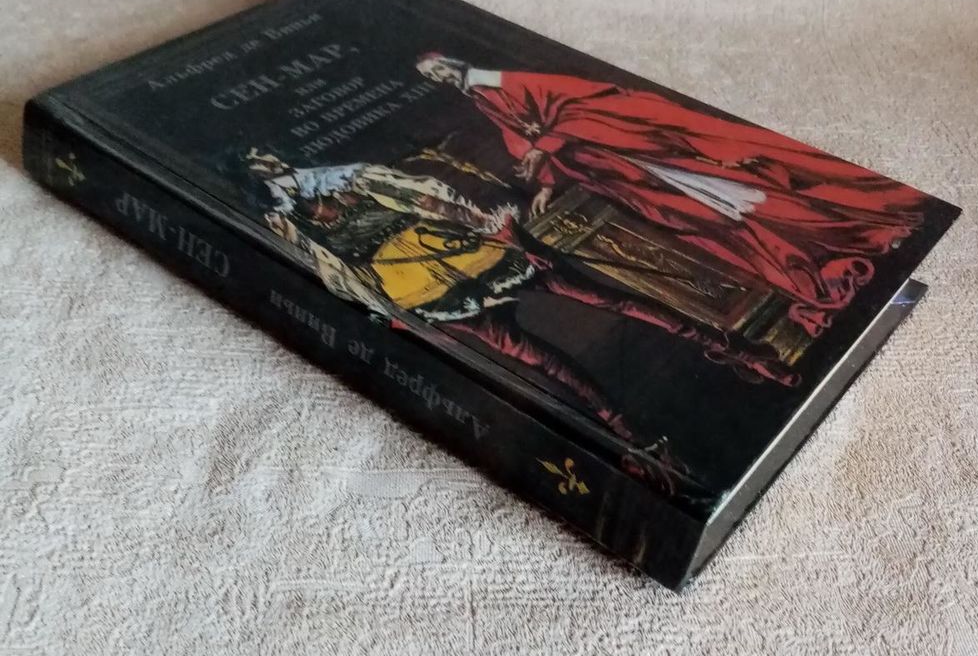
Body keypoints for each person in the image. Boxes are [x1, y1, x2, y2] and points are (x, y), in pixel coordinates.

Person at [247, 153, 799, 492]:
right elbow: (335, 272)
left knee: (606, 298)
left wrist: (493, 228)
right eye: (263, 175)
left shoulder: (347, 181)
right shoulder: (292, 226)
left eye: (271, 167)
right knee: (538, 360)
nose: (279, 179)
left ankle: (734, 348)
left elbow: (427, 198)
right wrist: (388, 312)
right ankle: (638, 443)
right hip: (418, 289)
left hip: (464, 249)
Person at [414, 54, 927, 337]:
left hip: (642, 148)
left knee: (742, 196)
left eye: (439, 71)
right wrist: (546, 180)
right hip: (620, 172)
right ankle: (808, 258)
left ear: (452, 64)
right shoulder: (482, 99)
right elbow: (526, 141)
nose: (441, 80)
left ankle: (845, 234)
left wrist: (543, 148)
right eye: (433, 79)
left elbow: (578, 107)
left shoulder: (509, 79)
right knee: (716, 222)